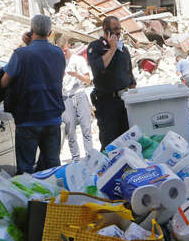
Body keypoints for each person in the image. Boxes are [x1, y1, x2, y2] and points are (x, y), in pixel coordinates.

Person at [1, 14, 66, 174]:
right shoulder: (59, 54)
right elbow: (57, 76)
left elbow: (4, 82)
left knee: (25, 170)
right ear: (50, 33)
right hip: (52, 117)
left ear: (31, 30)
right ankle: (52, 197)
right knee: (52, 167)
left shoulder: (21, 54)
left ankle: (29, 198)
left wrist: (25, 45)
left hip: (28, 119)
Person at [87, 16, 136, 150]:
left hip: (124, 102)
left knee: (128, 141)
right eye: (115, 29)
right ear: (105, 30)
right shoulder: (96, 47)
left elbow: (130, 76)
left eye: (119, 29)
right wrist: (112, 49)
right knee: (110, 143)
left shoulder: (123, 50)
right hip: (107, 103)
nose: (118, 33)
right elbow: (98, 68)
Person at [56, 37, 93, 161]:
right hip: (65, 96)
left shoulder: (78, 60)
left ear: (69, 47)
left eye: (65, 51)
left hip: (79, 94)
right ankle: (75, 158)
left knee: (86, 127)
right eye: (61, 52)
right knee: (70, 129)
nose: (64, 54)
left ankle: (90, 155)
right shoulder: (57, 63)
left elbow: (88, 80)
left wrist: (76, 75)